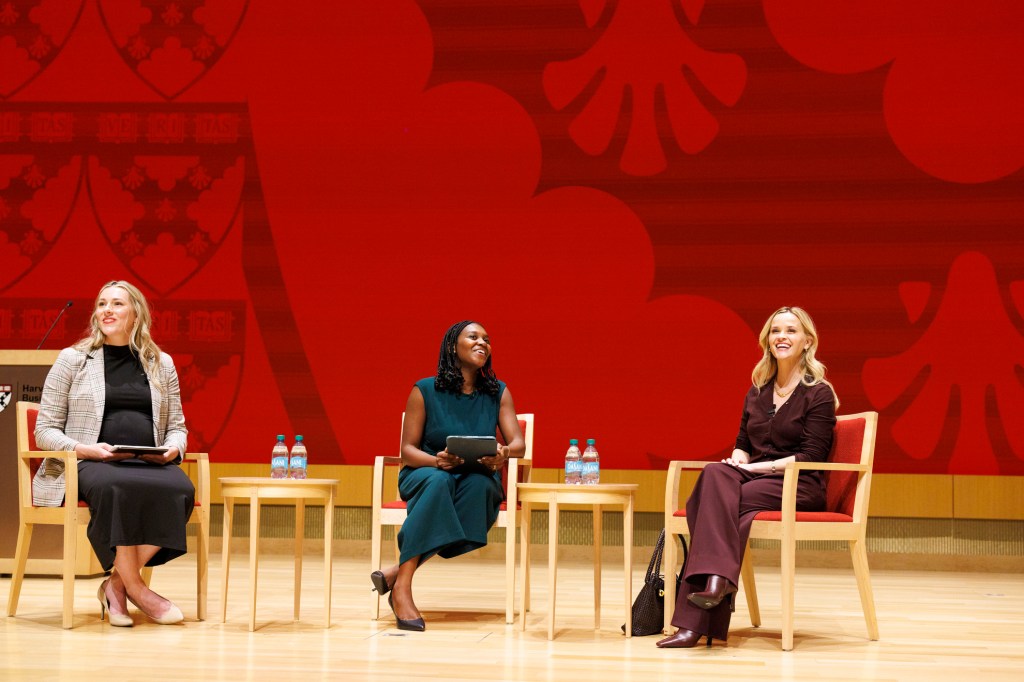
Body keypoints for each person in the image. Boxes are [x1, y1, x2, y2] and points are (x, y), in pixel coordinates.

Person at [657, 306, 839, 649]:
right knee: (714, 473)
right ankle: (717, 582)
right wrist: (739, 458)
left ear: (807, 341)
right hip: (755, 481)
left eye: (790, 331)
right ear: (767, 341)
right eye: (775, 331)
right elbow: (743, 443)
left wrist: (751, 467)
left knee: (709, 500)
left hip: (797, 485)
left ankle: (695, 619)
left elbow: (812, 457)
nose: (781, 337)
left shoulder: (819, 393)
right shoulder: (757, 391)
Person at [33, 280, 193, 627]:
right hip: (90, 462)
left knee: (180, 490)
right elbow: (44, 430)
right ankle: (137, 589)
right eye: (102, 303)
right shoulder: (73, 360)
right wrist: (83, 448)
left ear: (136, 313)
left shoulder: (159, 363)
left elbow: (178, 426)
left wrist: (173, 449)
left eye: (117, 304)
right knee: (116, 487)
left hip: (148, 460)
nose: (107, 310)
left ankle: (115, 586)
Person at [370, 320, 525, 631]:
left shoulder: (498, 392)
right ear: (453, 346)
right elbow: (408, 450)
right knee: (440, 483)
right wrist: (436, 462)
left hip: (475, 476)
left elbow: (518, 444)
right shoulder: (424, 389)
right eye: (473, 337)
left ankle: (397, 572)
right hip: (427, 473)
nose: (483, 342)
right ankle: (402, 588)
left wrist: (503, 453)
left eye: (487, 339)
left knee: (482, 487)